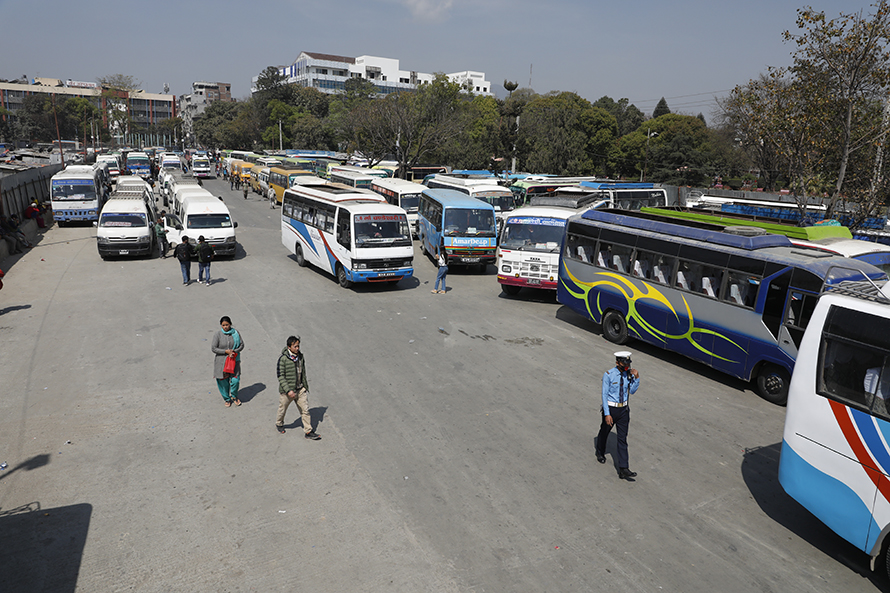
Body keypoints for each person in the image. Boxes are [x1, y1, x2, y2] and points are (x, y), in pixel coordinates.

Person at [595, 351, 641, 480]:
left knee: (622, 439)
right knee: (605, 431)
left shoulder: (628, 374)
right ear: (617, 363)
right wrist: (607, 414)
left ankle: (623, 468)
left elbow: (631, 391)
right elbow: (604, 395)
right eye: (623, 363)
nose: (626, 365)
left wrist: (636, 378)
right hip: (611, 409)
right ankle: (600, 452)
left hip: (624, 411)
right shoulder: (609, 375)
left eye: (628, 363)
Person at [275, 335, 321, 439]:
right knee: (282, 409)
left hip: (300, 389)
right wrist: (288, 390)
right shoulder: (283, 359)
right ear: (289, 347)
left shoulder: (300, 357)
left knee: (305, 410)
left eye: (298, 346)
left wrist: (304, 385)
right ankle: (279, 423)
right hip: (288, 392)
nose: (297, 348)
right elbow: (280, 376)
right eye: (295, 346)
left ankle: (308, 431)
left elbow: (303, 372)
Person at [211, 316, 243, 407]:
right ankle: (227, 399)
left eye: (227, 325)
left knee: (235, 380)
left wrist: (234, 352)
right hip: (222, 362)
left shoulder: (236, 333)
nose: (225, 327)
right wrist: (226, 352)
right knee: (223, 382)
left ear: (230, 324)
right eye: (223, 325)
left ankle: (234, 396)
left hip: (234, 360)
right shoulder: (218, 335)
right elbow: (214, 348)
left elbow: (241, 345)